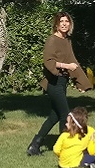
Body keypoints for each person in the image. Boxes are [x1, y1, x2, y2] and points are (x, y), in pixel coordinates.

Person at [27, 11, 91, 156]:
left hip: (62, 82)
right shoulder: (52, 40)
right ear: (56, 24)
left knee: (54, 116)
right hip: (53, 83)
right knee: (65, 115)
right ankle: (65, 148)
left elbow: (72, 59)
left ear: (70, 24)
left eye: (66, 21)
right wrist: (67, 66)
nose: (64, 24)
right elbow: (48, 62)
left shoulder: (67, 40)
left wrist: (81, 82)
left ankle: (34, 145)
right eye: (61, 21)